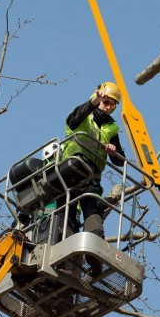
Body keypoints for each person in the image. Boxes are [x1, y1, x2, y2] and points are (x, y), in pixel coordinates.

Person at [61, 81, 125, 240]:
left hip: (91, 178)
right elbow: (73, 119)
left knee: (93, 211)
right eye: (106, 102)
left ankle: (95, 246)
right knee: (66, 211)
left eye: (112, 104)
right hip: (71, 170)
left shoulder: (112, 128)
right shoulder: (84, 116)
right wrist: (94, 101)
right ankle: (66, 242)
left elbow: (120, 161)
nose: (108, 106)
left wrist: (113, 151)